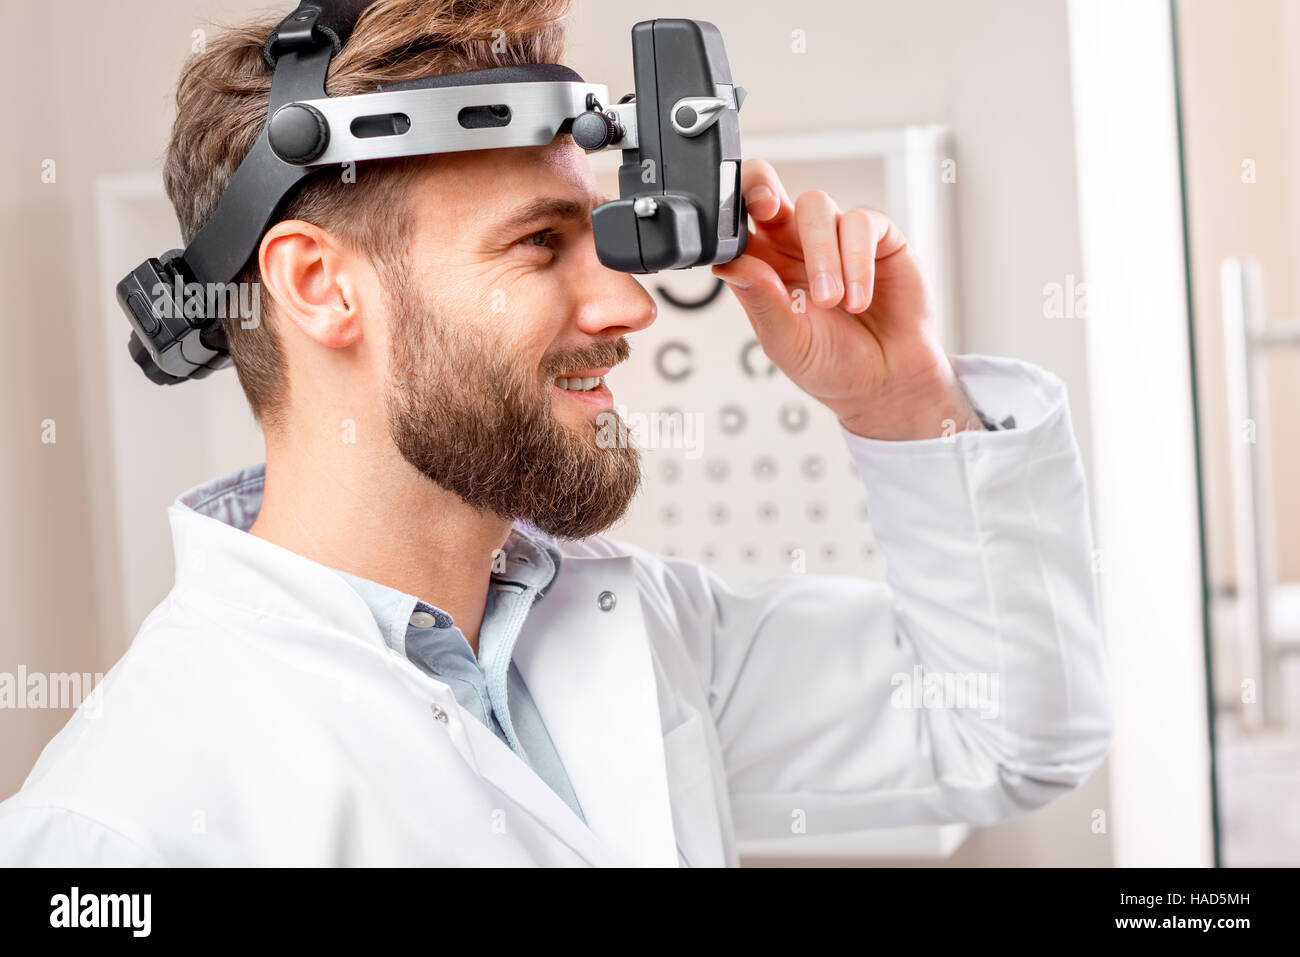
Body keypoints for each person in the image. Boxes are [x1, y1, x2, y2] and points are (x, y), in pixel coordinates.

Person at [0, 0, 1111, 866]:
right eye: (539, 244)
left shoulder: (643, 632)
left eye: (600, 235)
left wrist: (897, 401)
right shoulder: (121, 828)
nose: (630, 303)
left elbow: (1008, 734)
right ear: (320, 287)